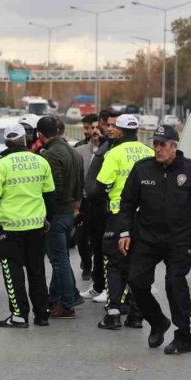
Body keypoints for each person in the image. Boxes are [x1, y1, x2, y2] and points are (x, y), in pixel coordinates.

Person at [118, 125, 191, 354]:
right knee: (136, 281)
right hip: (147, 237)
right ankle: (157, 321)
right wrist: (124, 232)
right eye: (155, 143)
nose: (158, 148)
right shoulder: (143, 169)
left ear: (174, 146)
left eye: (163, 144)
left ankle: (184, 336)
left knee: (174, 283)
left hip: (179, 240)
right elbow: (127, 203)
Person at [0, 124, 55, 328]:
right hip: (36, 226)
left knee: (12, 272)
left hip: (10, 227)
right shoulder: (40, 161)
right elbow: (50, 194)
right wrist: (44, 217)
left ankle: (19, 315)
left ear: (6, 142)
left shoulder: (2, 165)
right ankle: (42, 314)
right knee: (37, 271)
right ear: (25, 140)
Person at [93, 113, 154, 330]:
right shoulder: (149, 152)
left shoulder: (114, 153)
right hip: (146, 218)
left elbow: (100, 186)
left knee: (114, 264)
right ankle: (137, 315)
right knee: (139, 265)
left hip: (119, 216)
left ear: (119, 131)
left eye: (113, 128)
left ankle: (113, 314)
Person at [37, 116, 83, 319]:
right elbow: (80, 183)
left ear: (40, 135)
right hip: (69, 211)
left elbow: (53, 187)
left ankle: (66, 304)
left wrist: (46, 212)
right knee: (61, 256)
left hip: (56, 213)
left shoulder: (50, 155)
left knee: (58, 260)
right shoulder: (73, 152)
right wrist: (76, 204)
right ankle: (57, 298)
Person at [81, 109, 120, 302]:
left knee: (108, 249)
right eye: (110, 124)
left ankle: (109, 288)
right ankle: (98, 285)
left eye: (115, 125)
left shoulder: (114, 147)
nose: (112, 128)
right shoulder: (102, 145)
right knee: (96, 246)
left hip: (109, 206)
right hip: (94, 206)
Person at [74, 114, 101, 282]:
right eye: (86, 128)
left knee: (97, 237)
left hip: (99, 200)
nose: (89, 131)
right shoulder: (78, 149)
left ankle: (97, 268)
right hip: (83, 200)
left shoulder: (106, 148)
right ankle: (86, 262)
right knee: (81, 237)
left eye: (92, 128)